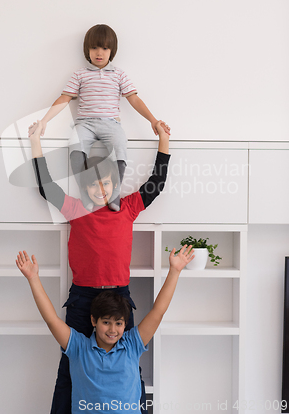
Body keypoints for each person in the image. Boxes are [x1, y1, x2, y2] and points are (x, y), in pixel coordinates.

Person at [29, 118, 170, 414]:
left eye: (106, 183)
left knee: (130, 364)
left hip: (119, 297)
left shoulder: (128, 207)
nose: (101, 189)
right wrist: (35, 142)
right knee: (69, 369)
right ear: (85, 185)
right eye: (93, 184)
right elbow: (46, 187)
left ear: (114, 182)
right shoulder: (75, 209)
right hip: (83, 298)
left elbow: (155, 184)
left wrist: (163, 140)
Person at [15, 245, 194, 413]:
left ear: (125, 324)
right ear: (94, 320)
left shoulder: (131, 345)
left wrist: (175, 270)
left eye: (119, 323)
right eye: (106, 322)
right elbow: (51, 320)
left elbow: (158, 312)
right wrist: (33, 278)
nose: (112, 330)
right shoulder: (79, 348)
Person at [28, 24, 170, 210]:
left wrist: (153, 120)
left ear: (112, 50)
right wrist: (45, 120)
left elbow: (134, 99)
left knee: (120, 144)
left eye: (104, 48)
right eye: (94, 47)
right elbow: (64, 98)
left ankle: (114, 196)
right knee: (75, 146)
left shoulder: (119, 75)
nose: (99, 52)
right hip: (85, 124)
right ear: (87, 50)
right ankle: (86, 194)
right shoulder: (80, 74)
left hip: (110, 123)